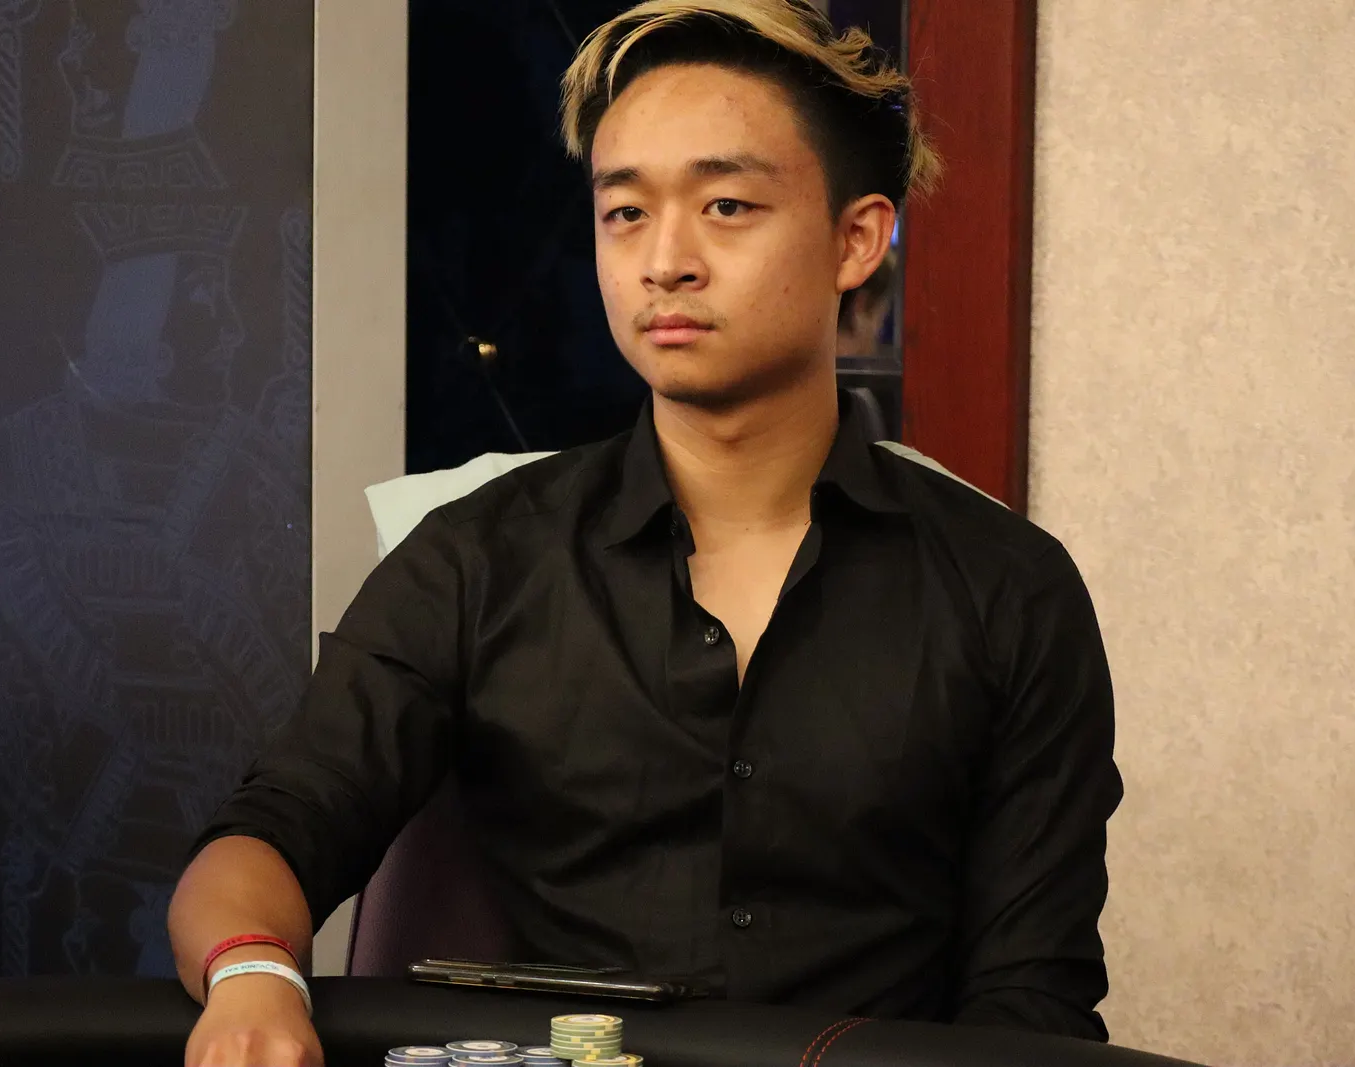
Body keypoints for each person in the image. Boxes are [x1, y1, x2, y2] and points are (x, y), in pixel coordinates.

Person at [169, 2, 1123, 1064]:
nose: (665, 260)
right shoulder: (479, 558)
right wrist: (252, 974)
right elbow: (275, 829)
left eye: (726, 205)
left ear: (856, 239)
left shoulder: (1007, 590)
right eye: (625, 212)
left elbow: (1031, 999)